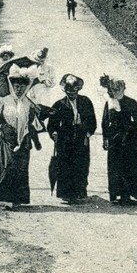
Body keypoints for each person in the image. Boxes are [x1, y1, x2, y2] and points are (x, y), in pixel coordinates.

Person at [0, 69, 47, 208]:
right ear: (12, 87)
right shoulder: (4, 101)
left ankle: (18, 199)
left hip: (23, 139)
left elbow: (33, 121)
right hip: (8, 139)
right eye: (16, 86)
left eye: (22, 87)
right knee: (8, 167)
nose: (19, 89)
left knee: (21, 169)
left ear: (26, 88)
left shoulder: (28, 102)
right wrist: (0, 129)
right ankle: (4, 198)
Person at [47, 74, 96, 204]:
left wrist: (88, 134)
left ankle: (80, 192)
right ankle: (66, 194)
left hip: (81, 139)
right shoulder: (58, 105)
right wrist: (54, 134)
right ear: (65, 91)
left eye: (74, 92)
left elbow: (92, 121)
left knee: (81, 165)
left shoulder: (86, 102)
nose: (72, 95)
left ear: (78, 90)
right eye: (69, 92)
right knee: (65, 166)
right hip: (65, 140)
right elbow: (51, 125)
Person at [100, 75, 137, 205]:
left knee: (130, 166)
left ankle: (128, 195)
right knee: (115, 167)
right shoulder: (109, 103)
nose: (116, 91)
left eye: (119, 88)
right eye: (114, 89)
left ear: (123, 88)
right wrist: (105, 138)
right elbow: (104, 122)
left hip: (129, 139)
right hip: (115, 140)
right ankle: (116, 194)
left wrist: (129, 127)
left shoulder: (131, 103)